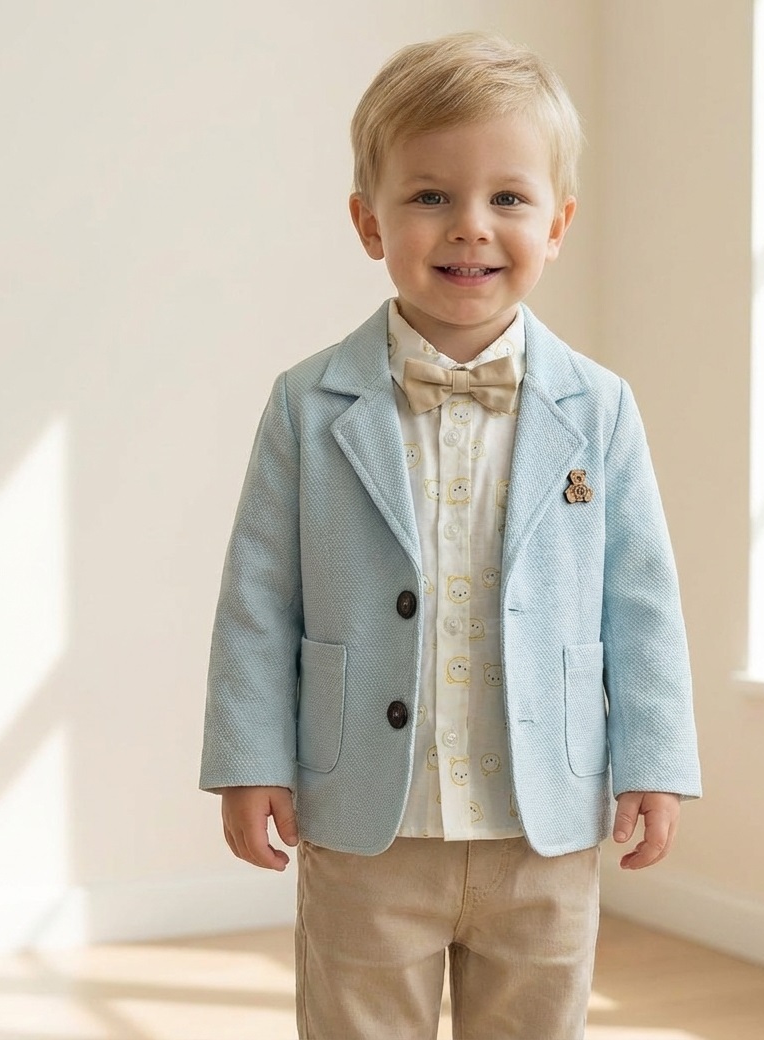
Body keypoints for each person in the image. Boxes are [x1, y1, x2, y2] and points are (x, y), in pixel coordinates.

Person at [200, 29, 701, 1040]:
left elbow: (641, 598)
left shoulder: (600, 408)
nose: (470, 226)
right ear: (368, 222)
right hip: (368, 821)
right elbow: (258, 596)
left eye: (507, 198)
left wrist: (655, 758)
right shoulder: (306, 403)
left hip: (543, 824)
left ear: (557, 224)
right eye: (430, 195)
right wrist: (249, 758)